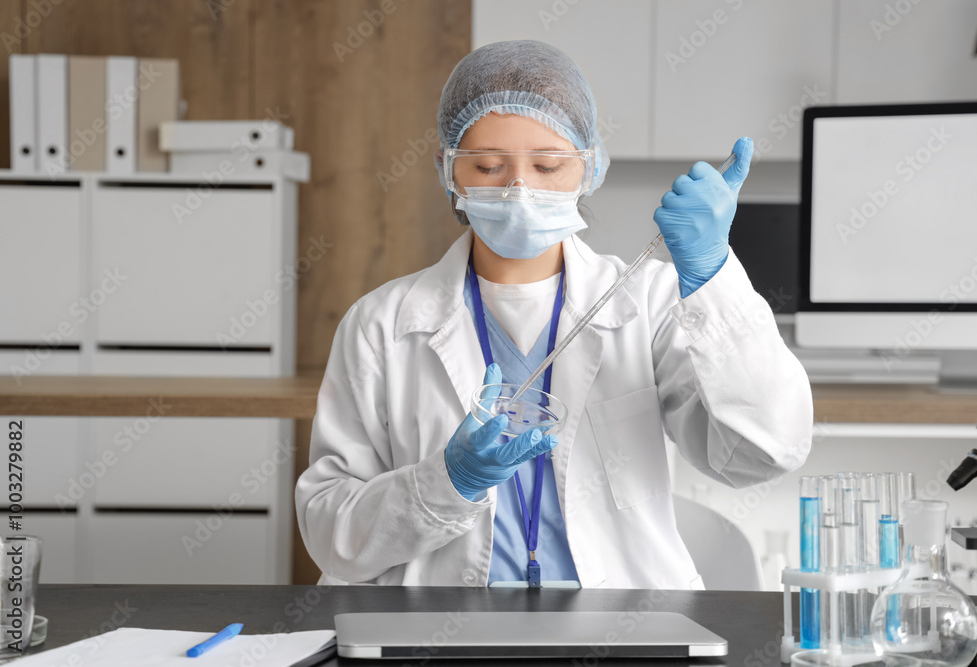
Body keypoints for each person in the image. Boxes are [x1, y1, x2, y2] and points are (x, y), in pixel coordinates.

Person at [295, 39, 813, 588]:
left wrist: (712, 274)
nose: (520, 189)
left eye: (547, 165)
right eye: (489, 166)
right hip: (435, 629)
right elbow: (332, 538)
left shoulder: (651, 304)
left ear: (589, 169)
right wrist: (448, 482)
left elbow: (763, 453)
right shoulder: (381, 325)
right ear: (448, 171)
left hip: (621, 632)